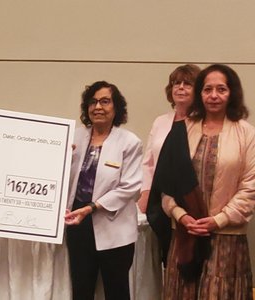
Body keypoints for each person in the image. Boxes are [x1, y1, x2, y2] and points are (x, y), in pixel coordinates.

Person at [154, 64, 255, 299]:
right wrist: (180, 215)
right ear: (199, 93)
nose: (214, 95)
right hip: (184, 235)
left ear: (232, 93)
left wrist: (218, 220)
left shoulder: (246, 133)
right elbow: (167, 184)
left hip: (226, 239)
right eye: (207, 89)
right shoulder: (181, 130)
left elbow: (250, 186)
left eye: (221, 89)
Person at [64, 81, 142, 300]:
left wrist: (92, 207)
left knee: (116, 291)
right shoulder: (74, 137)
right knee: (81, 288)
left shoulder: (129, 142)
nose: (98, 106)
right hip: (78, 223)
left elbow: (129, 186)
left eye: (105, 101)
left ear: (116, 108)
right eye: (93, 101)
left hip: (113, 225)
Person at [132, 65, 201, 299]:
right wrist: (145, 192)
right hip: (160, 198)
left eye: (187, 83)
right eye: (176, 83)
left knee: (190, 259)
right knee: (166, 256)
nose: (180, 88)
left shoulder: (203, 122)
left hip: (191, 198)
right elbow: (148, 162)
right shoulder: (161, 121)